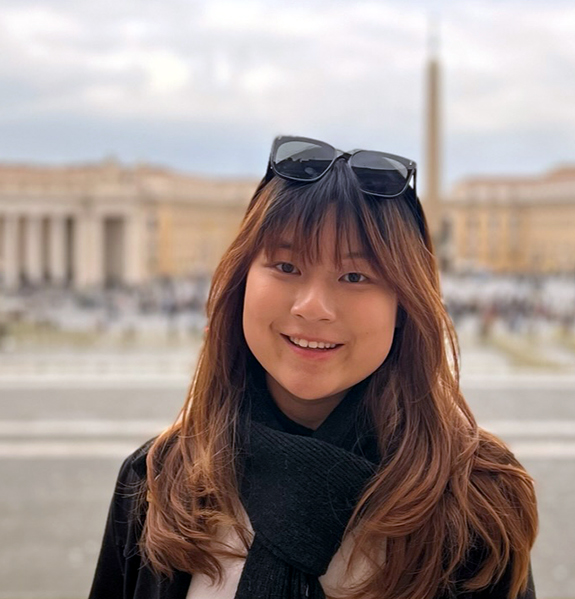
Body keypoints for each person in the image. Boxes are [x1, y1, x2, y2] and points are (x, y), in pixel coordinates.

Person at [88, 135, 538, 599]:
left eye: (355, 276)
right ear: (241, 280)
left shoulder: (479, 502)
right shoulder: (155, 480)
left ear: (406, 304)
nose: (313, 306)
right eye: (285, 266)